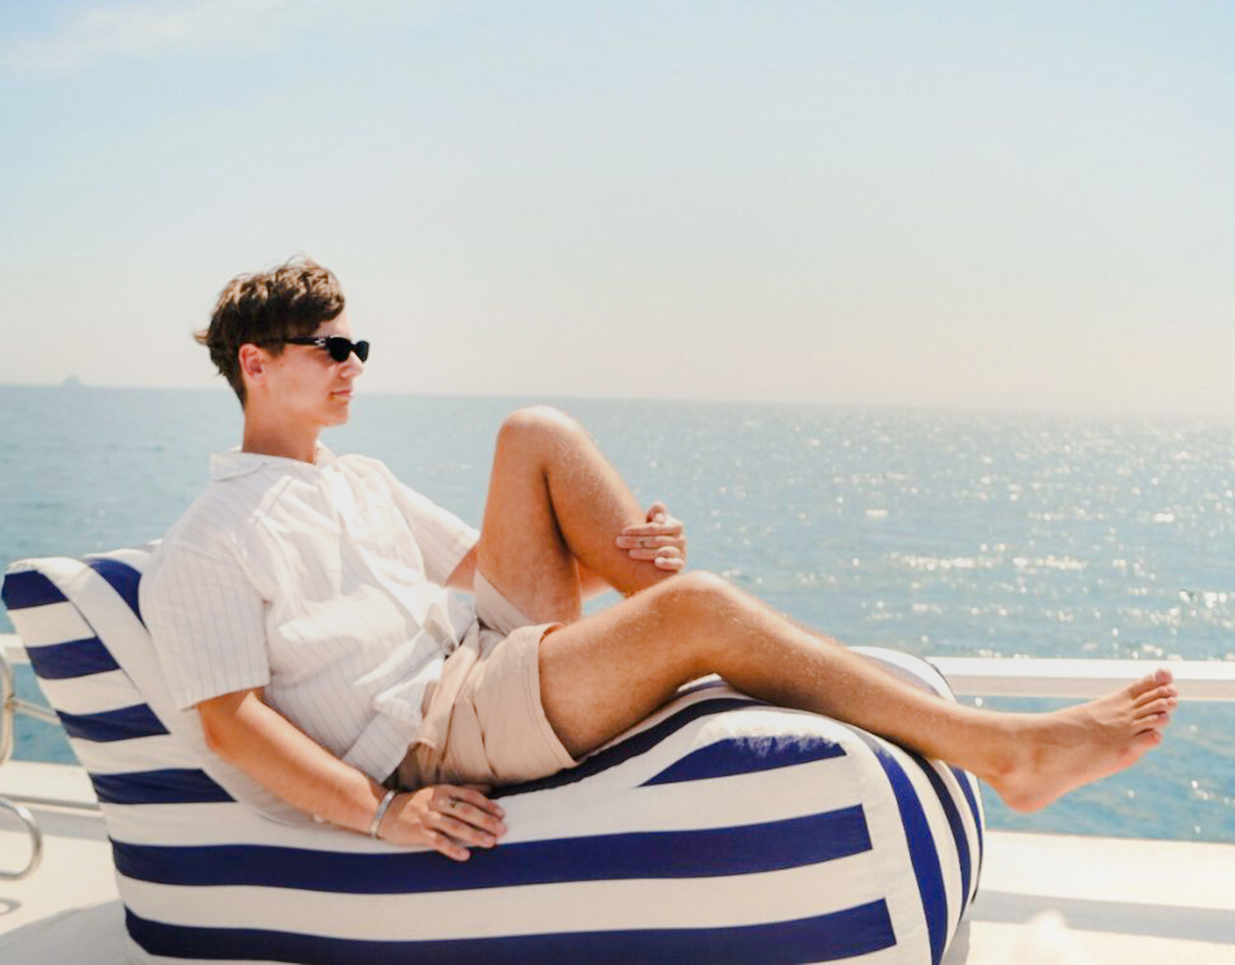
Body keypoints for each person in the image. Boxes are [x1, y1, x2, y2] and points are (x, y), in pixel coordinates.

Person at [141, 256, 1177, 863]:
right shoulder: (208, 539)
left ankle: (685, 611)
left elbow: (494, 568)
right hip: (428, 731)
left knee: (533, 432)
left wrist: (627, 561)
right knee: (701, 612)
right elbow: (232, 724)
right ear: (257, 364)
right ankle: (1001, 751)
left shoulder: (353, 479)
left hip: (482, 662)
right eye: (333, 350)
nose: (353, 367)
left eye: (359, 348)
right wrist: (381, 809)